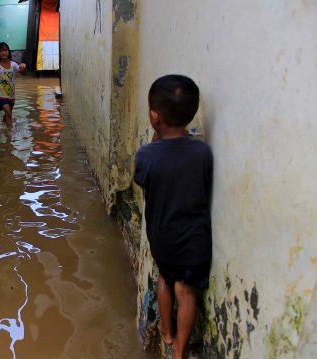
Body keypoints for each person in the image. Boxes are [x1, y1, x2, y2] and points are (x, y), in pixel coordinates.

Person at [133, 75, 212, 359]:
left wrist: (154, 138)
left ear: (155, 117)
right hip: (194, 240)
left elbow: (142, 181)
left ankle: (167, 332)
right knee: (186, 293)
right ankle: (181, 350)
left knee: (165, 279)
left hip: (162, 237)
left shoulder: (146, 155)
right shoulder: (202, 151)